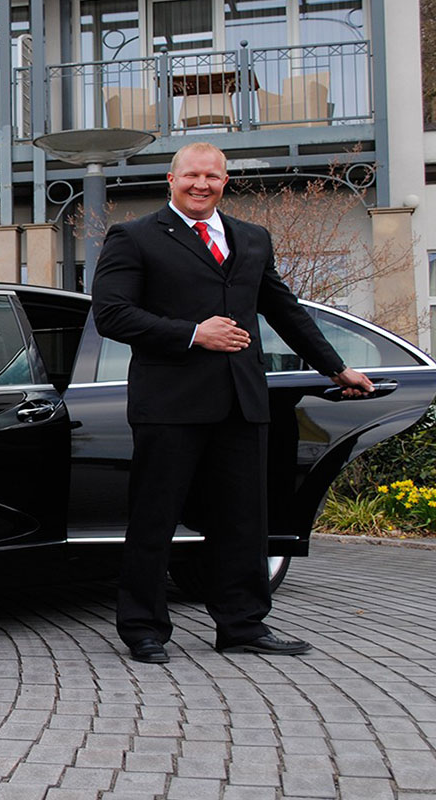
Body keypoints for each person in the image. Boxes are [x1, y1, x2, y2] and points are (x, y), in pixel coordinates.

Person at [91, 142, 374, 664]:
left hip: (242, 403)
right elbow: (111, 315)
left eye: (213, 177)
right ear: (170, 180)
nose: (202, 185)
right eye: (192, 176)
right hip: (170, 404)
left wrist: (335, 367)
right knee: (156, 519)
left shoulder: (250, 238)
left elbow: (285, 310)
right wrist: (193, 333)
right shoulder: (134, 237)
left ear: (226, 181)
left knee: (245, 521)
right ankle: (144, 629)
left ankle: (242, 625)